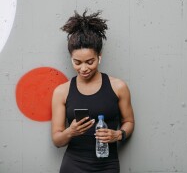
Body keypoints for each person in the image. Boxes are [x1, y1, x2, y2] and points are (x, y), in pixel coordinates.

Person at [51, 10, 135, 173]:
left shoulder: (118, 87)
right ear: (71, 59)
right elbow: (57, 140)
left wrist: (118, 135)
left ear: (99, 57)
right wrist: (71, 132)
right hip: (73, 165)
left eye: (90, 62)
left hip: (108, 166)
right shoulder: (62, 91)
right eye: (77, 62)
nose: (83, 68)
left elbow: (129, 122)